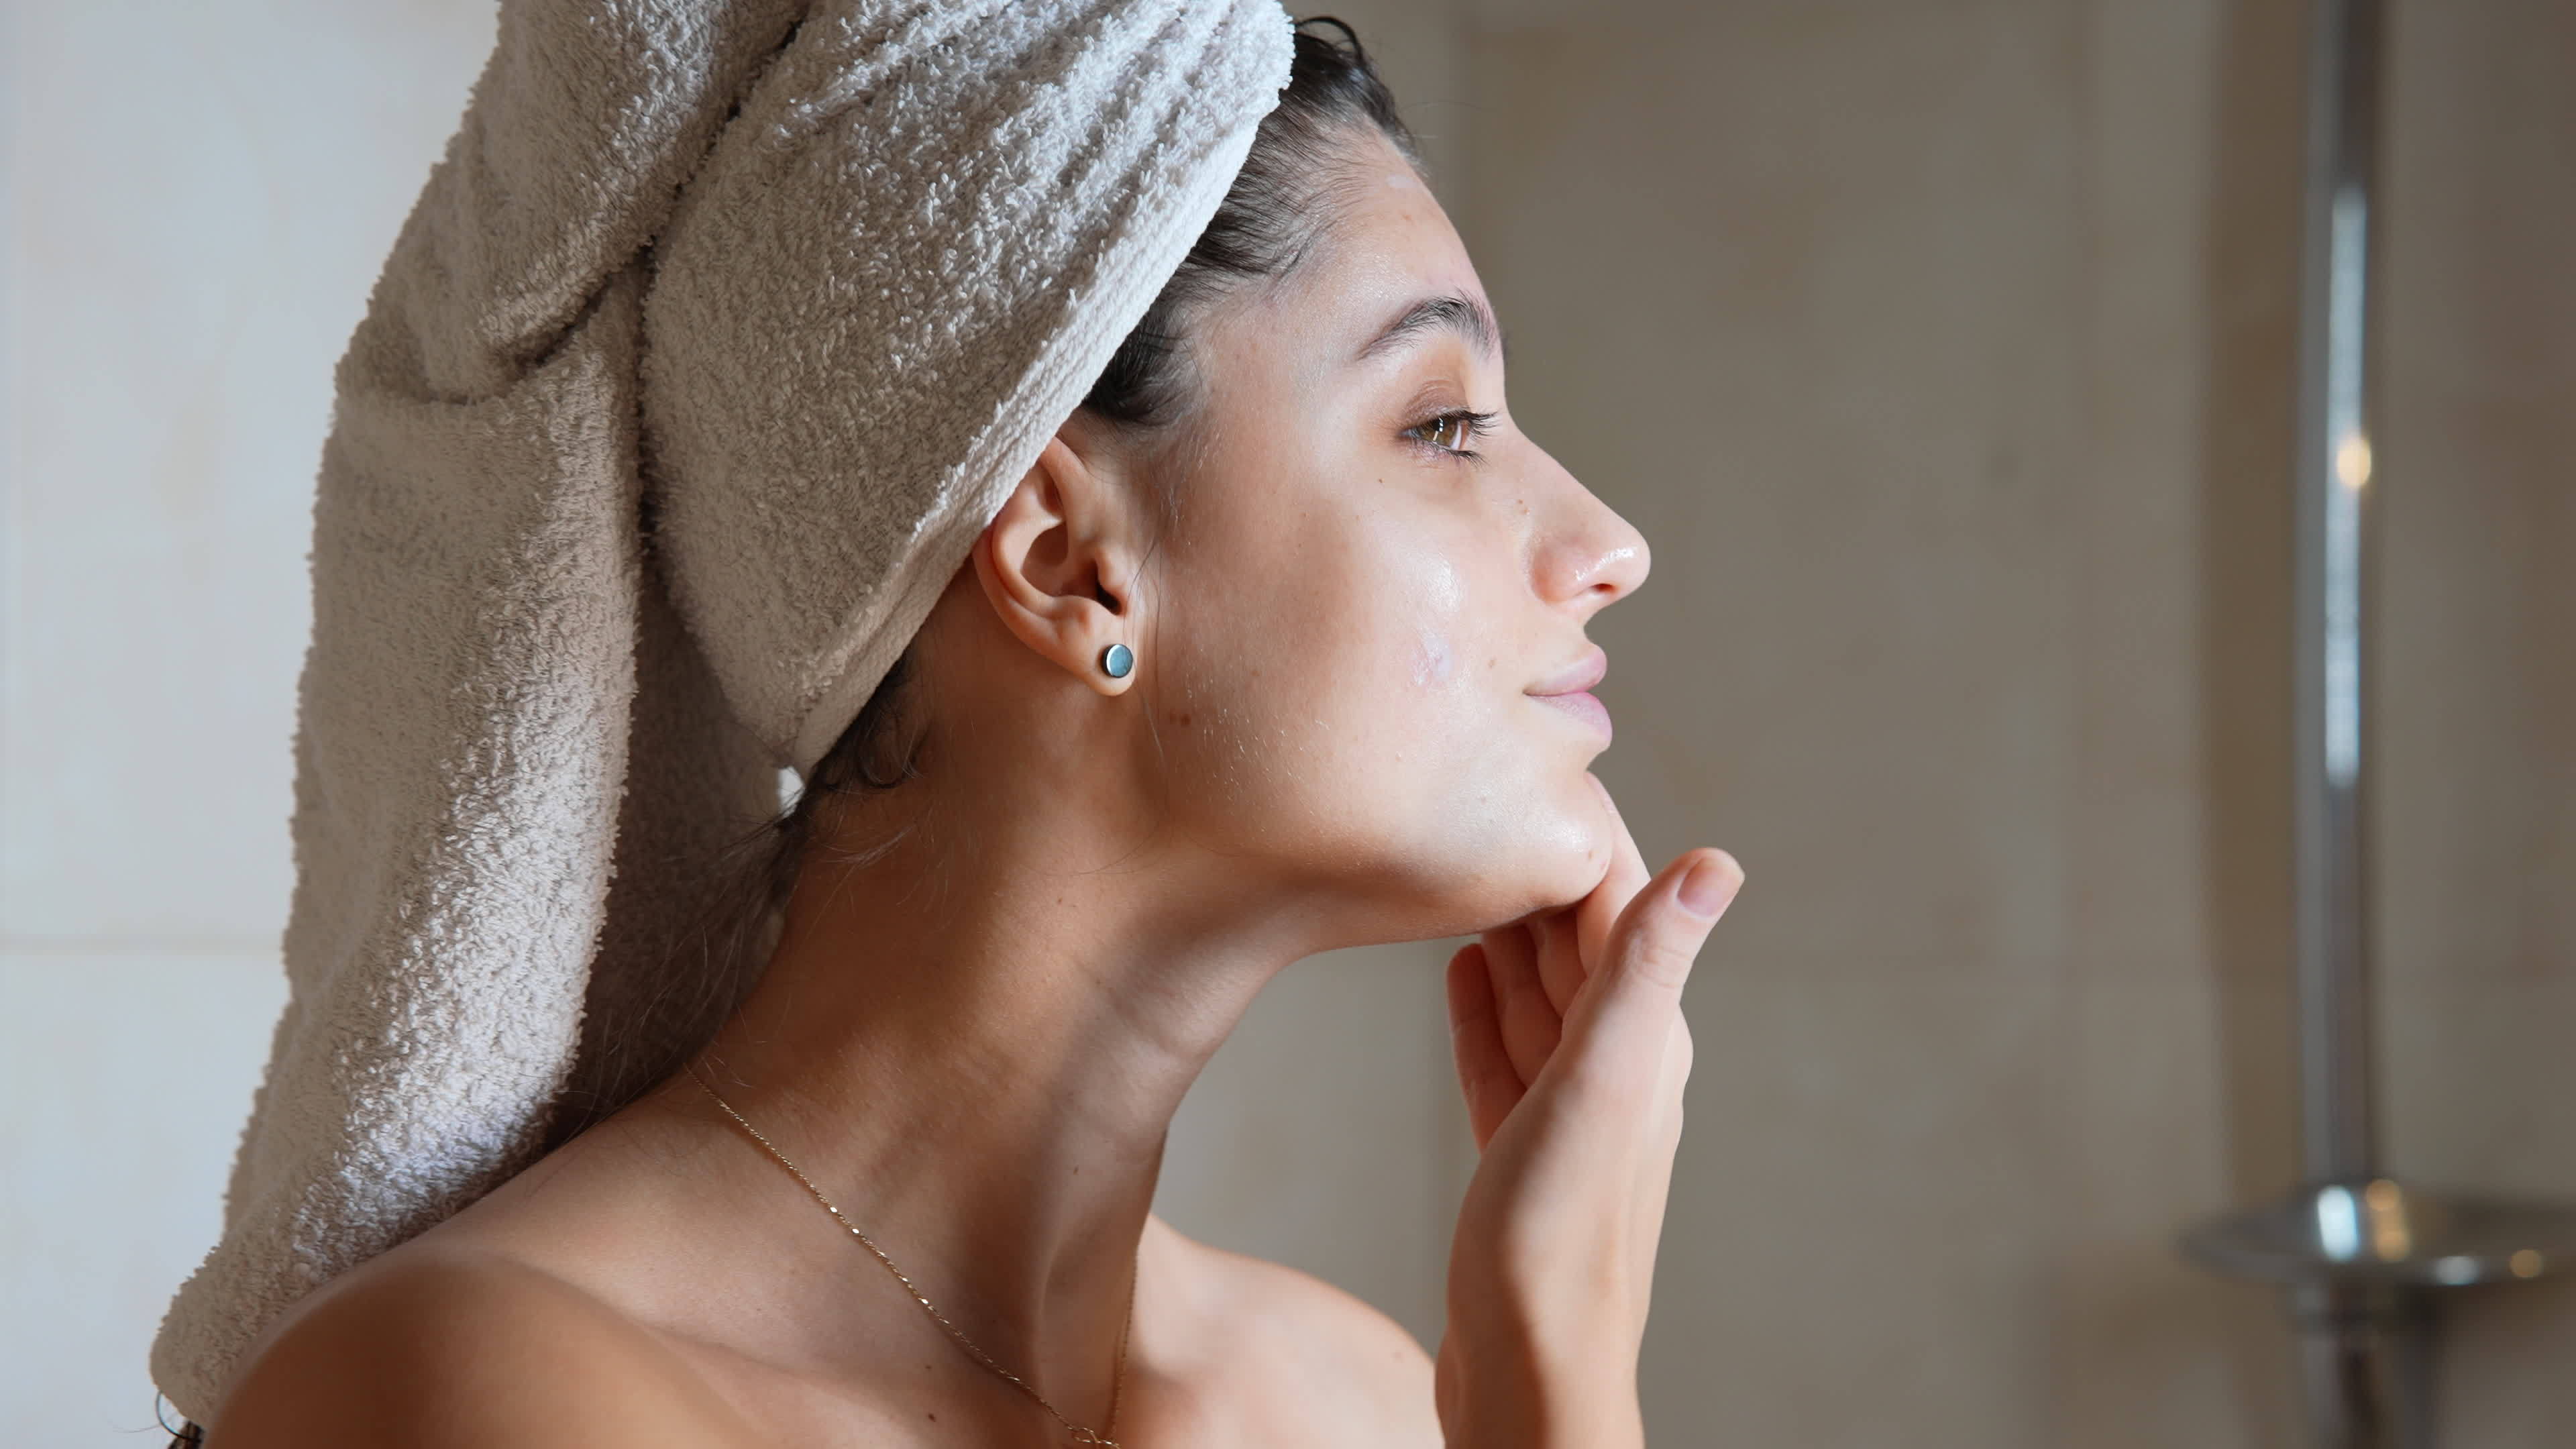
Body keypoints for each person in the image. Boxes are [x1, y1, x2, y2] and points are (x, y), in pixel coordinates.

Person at [201, 18, 1741, 1448]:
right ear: (1067, 558)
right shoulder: (479, 1396)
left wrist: (1566, 1378)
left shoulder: (1354, 1400)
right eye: (1442, 424)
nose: (1609, 543)